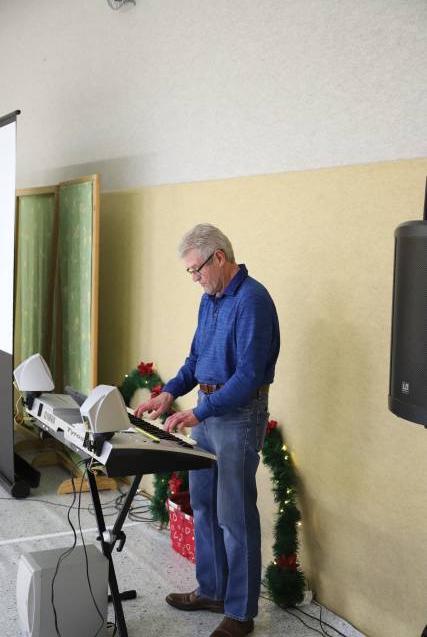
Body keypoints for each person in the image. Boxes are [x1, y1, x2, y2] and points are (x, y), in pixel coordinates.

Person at [135, 223, 280, 637]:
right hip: (208, 411)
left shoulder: (252, 301)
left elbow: (250, 375)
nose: (194, 279)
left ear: (220, 257)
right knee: (203, 505)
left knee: (235, 516)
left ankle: (240, 613)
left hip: (237, 415)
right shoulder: (210, 300)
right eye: (190, 273)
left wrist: (202, 412)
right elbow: (197, 356)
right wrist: (170, 393)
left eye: (196, 270)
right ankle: (212, 590)